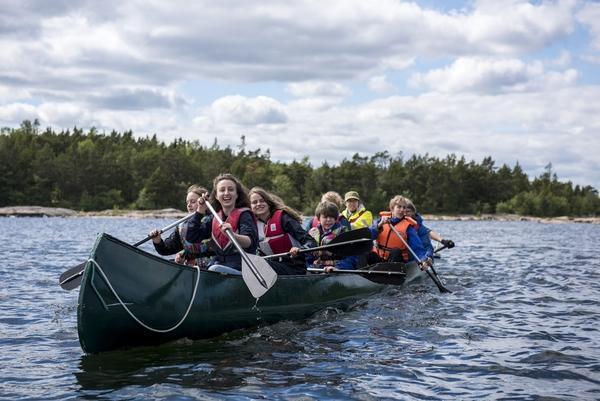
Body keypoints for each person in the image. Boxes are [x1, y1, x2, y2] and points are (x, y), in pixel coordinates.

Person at [185, 173, 258, 275]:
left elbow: (250, 242)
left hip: (243, 268)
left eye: (231, 189)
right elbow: (192, 237)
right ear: (216, 195)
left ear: (237, 194)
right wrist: (200, 210)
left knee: (214, 269)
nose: (226, 193)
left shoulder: (245, 215)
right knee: (206, 268)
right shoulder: (214, 218)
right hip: (218, 265)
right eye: (222, 190)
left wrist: (233, 235)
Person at [249, 187, 317, 274]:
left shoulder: (284, 218)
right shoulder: (253, 226)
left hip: (294, 267)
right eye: (254, 202)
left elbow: (311, 242)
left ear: (268, 202)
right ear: (250, 207)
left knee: (260, 264)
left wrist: (300, 249)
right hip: (274, 266)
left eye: (262, 201)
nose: (258, 204)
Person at [149, 184, 212, 266]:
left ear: (204, 203)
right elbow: (166, 250)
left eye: (193, 202)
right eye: (187, 202)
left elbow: (193, 237)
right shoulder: (183, 225)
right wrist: (157, 241)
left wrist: (185, 254)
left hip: (209, 268)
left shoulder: (211, 221)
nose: (189, 205)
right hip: (190, 268)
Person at [369, 195, 432, 269]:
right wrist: (380, 225)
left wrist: (423, 260)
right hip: (380, 258)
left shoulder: (408, 227)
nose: (402, 210)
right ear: (392, 208)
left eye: (404, 207)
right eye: (399, 207)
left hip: (396, 261)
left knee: (396, 251)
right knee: (369, 253)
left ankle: (390, 275)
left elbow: (417, 247)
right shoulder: (381, 221)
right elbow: (370, 236)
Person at [306, 201, 358, 273]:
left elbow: (351, 257)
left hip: (337, 270)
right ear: (318, 219)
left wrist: (338, 268)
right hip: (316, 270)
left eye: (331, 217)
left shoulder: (343, 232)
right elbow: (307, 257)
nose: (328, 220)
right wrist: (310, 268)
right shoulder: (312, 233)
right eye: (325, 217)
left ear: (336, 218)